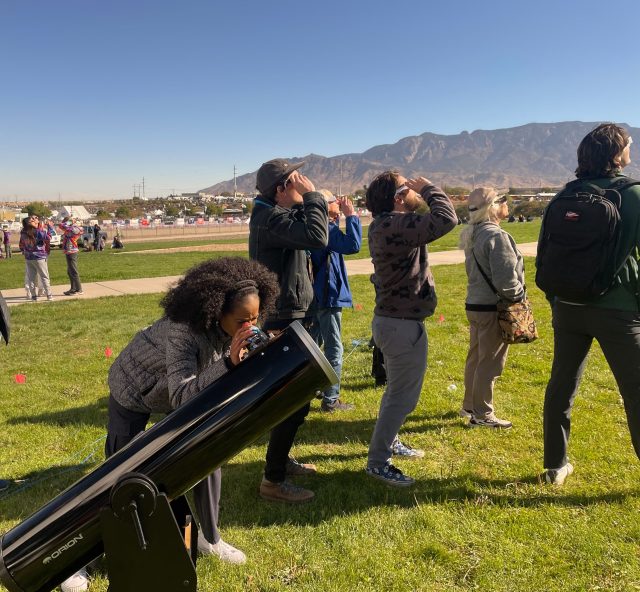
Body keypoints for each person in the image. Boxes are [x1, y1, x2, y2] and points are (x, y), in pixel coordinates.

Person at [60, 257, 279, 592]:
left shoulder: (235, 327)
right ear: (216, 312)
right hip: (134, 389)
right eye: (242, 320)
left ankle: (209, 537)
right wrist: (229, 363)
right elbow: (180, 395)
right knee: (120, 478)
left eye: (256, 317)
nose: (251, 325)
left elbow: (210, 380)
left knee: (208, 453)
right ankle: (78, 563)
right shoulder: (183, 332)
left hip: (181, 387)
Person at [540, 123, 640, 486]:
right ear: (616, 155)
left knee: (561, 386)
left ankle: (555, 465)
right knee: (636, 392)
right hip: (617, 309)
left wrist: (555, 298)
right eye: (628, 145)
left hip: (567, 306)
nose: (631, 148)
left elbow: (547, 254)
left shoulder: (564, 195)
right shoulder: (631, 194)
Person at [364, 171, 457, 486]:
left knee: (396, 393)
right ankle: (378, 462)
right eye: (408, 187)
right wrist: (430, 189)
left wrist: (419, 193)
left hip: (396, 323)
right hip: (400, 326)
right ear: (398, 197)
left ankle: (389, 442)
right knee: (403, 398)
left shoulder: (388, 224)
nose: (415, 190)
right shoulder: (394, 223)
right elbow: (446, 219)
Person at [249, 158, 329, 503]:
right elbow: (317, 236)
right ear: (281, 190)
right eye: (298, 181)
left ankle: (280, 462)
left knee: (296, 400)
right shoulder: (269, 218)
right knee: (290, 399)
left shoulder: (274, 214)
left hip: (291, 313)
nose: (306, 183)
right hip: (285, 319)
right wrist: (314, 199)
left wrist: (311, 204)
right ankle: (273, 480)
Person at [458, 188, 525, 429]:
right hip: (492, 308)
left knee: (476, 357)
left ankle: (469, 405)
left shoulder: (474, 234)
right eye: (504, 200)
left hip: (475, 304)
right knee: (490, 362)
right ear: (493, 207)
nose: (508, 204)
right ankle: (482, 414)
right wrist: (520, 297)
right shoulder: (496, 236)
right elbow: (507, 281)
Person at [310, 190, 362, 412]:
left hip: (315, 296)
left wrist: (336, 217)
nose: (339, 203)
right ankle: (331, 399)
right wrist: (352, 216)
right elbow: (352, 245)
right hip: (328, 296)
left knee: (313, 347)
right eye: (334, 201)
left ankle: (311, 389)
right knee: (334, 349)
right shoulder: (326, 229)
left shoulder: (315, 225)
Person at [19, 215, 53, 302]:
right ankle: (49, 295)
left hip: (28, 258)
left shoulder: (23, 232)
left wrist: (26, 250)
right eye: (33, 220)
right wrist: (50, 227)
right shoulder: (37, 231)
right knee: (44, 276)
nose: (35, 220)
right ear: (30, 223)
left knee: (31, 278)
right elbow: (48, 238)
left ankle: (34, 297)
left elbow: (21, 245)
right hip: (39, 257)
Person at [59, 217, 84, 296]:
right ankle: (73, 289)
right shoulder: (70, 229)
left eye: (66, 222)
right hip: (69, 251)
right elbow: (62, 226)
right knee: (70, 271)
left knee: (73, 271)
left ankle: (79, 289)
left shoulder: (74, 229)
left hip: (72, 251)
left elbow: (61, 225)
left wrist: (70, 221)